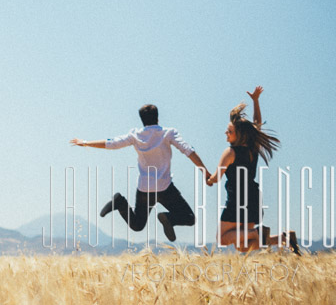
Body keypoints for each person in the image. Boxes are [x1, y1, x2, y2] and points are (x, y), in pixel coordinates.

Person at [71, 103, 209, 242]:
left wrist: (86, 142)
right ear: (158, 118)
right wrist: (205, 172)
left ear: (142, 120)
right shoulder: (168, 133)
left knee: (137, 225)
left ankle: (120, 202)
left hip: (144, 189)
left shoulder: (135, 135)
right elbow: (188, 151)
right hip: (165, 188)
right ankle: (168, 218)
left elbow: (112, 143)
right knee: (189, 218)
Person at [206, 86, 300, 254]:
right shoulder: (252, 147)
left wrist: (209, 179)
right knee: (243, 246)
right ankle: (284, 238)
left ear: (239, 134)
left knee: (222, 238)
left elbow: (217, 177)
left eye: (230, 131)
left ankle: (258, 232)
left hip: (237, 199)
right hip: (253, 197)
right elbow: (257, 125)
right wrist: (256, 101)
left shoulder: (230, 152)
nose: (226, 133)